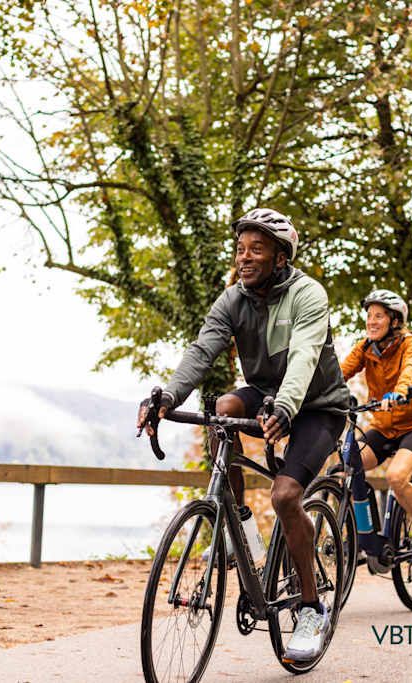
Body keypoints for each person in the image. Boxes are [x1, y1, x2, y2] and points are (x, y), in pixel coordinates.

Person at [136, 208, 349, 662]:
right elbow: (202, 350)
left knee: (287, 495)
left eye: (256, 249)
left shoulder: (308, 295)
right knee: (224, 410)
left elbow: (305, 358)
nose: (245, 258)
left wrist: (286, 408)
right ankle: (240, 528)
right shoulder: (232, 300)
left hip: (317, 406)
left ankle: (311, 608)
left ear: (280, 257)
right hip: (266, 393)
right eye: (240, 249)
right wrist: (167, 399)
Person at [339, 289, 412, 562]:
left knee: (396, 477)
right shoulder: (365, 347)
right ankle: (361, 531)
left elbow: (411, 369)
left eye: (378, 316)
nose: (371, 321)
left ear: (394, 321)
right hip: (382, 427)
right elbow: (340, 373)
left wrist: (400, 392)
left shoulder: (410, 343)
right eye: (369, 316)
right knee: (347, 466)